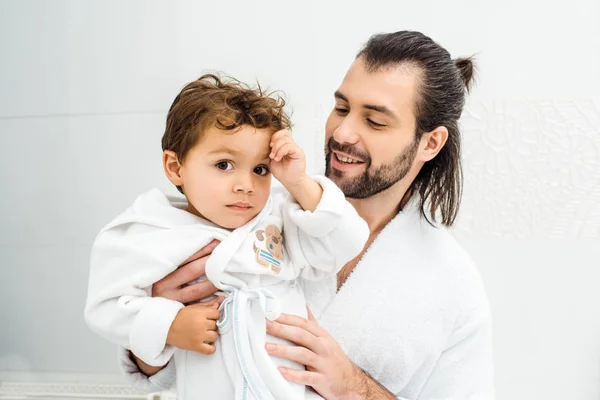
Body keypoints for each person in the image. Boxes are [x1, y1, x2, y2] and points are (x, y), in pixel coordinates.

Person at [121, 31, 494, 399]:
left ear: (431, 142)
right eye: (342, 108)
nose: (343, 132)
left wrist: (353, 388)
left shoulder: (453, 283)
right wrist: (158, 321)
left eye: (375, 121)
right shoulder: (255, 210)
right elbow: (173, 368)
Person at [84, 75, 369, 400]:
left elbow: (344, 241)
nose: (245, 184)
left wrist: (299, 183)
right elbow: (105, 306)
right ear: (175, 167)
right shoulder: (151, 230)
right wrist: (169, 323)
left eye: (260, 169)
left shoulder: (279, 217)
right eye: (224, 164)